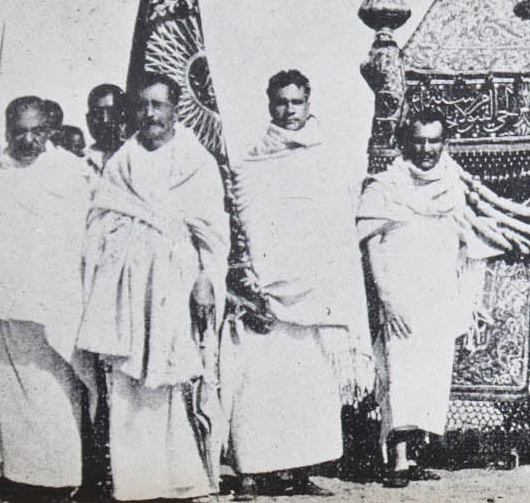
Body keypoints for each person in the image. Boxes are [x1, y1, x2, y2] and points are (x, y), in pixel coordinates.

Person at [75, 73, 227, 501]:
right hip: (124, 289)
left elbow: (213, 233)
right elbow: (99, 220)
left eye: (158, 105)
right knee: (126, 382)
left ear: (176, 109)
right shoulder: (121, 162)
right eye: (142, 105)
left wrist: (205, 279)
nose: (150, 114)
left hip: (175, 284)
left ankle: (179, 477)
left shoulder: (196, 162)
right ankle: (134, 483)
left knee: (169, 378)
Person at [222, 70, 371, 498]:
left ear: (309, 103)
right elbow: (244, 221)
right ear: (270, 104)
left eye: (297, 103)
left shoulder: (328, 157)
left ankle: (299, 471)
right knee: (257, 382)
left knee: (309, 383)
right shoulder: (251, 160)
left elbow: (338, 227)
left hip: (315, 287)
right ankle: (251, 471)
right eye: (281, 103)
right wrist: (252, 280)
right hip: (266, 291)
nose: (289, 111)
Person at [357, 108, 499, 485]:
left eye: (433, 141)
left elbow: (469, 242)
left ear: (444, 143)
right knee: (400, 374)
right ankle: (398, 460)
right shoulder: (385, 186)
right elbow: (371, 247)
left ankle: (415, 455)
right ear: (406, 143)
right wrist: (387, 299)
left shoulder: (453, 186)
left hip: (438, 297)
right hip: (401, 298)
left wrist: (464, 299)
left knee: (430, 376)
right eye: (418, 141)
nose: (425, 149)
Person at [0, 96, 92, 495]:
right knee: (2, 393)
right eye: (19, 130)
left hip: (49, 306)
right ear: (7, 131)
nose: (27, 139)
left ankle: (56, 479)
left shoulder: (71, 173)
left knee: (49, 393)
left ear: (50, 131)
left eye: (36, 130)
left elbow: (81, 234)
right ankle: (8, 474)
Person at [85, 83, 127, 175]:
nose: (105, 120)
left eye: (112, 113)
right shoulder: (80, 160)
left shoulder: (135, 156)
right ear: (88, 119)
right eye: (97, 113)